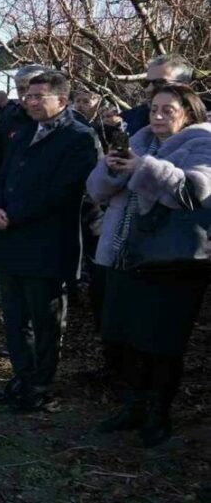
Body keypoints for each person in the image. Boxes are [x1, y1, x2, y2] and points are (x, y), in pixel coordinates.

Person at [87, 83, 211, 447]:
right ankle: (133, 406)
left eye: (167, 110)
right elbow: (97, 192)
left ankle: (159, 414)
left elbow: (194, 193)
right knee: (125, 338)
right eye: (154, 108)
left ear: (188, 113)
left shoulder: (202, 143)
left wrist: (145, 168)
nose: (157, 116)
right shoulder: (137, 141)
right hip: (125, 256)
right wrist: (111, 169)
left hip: (173, 263)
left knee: (162, 343)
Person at [0, 71, 99, 412]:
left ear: (62, 101)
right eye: (27, 95)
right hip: (10, 241)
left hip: (47, 244)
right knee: (15, 318)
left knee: (45, 320)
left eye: (38, 97)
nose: (28, 101)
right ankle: (21, 376)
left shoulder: (80, 137)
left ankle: (41, 384)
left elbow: (62, 192)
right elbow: (1, 175)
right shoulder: (22, 132)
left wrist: (13, 215)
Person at [121, 54, 194, 135]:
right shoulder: (131, 118)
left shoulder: (204, 130)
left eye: (160, 83)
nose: (149, 89)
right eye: (147, 83)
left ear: (185, 86)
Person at [0, 65, 48, 166]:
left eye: (30, 88)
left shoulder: (62, 121)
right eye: (21, 89)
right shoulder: (8, 118)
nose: (25, 95)